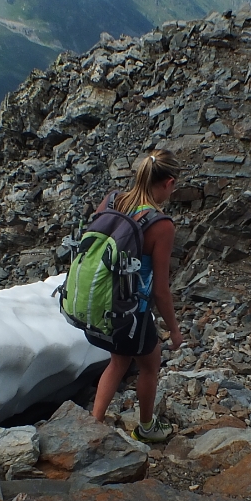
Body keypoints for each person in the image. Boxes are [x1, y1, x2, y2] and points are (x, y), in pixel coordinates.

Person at [89, 149, 183, 442]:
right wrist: (175, 330)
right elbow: (161, 289)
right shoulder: (161, 224)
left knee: (127, 360)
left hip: (101, 299)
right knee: (142, 366)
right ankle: (143, 428)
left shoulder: (113, 199)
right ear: (167, 183)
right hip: (131, 309)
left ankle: (95, 426)